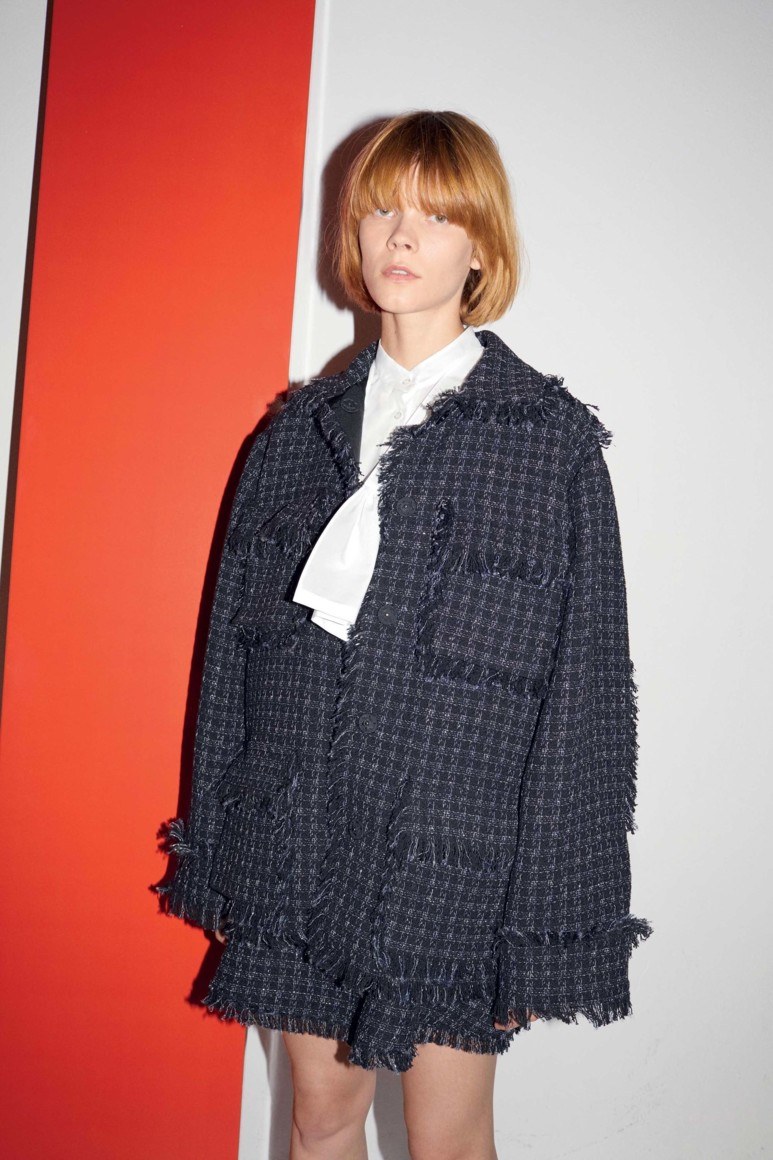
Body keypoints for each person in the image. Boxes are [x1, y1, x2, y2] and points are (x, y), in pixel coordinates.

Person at [154, 110, 653, 1160]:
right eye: (381, 209)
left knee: (447, 1139)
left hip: (454, 858)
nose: (401, 235)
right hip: (295, 836)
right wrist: (221, 845)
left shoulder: (544, 444)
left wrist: (544, 920)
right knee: (318, 1117)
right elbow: (227, 666)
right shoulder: (294, 435)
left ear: (481, 248)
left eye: (435, 215)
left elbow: (586, 700)